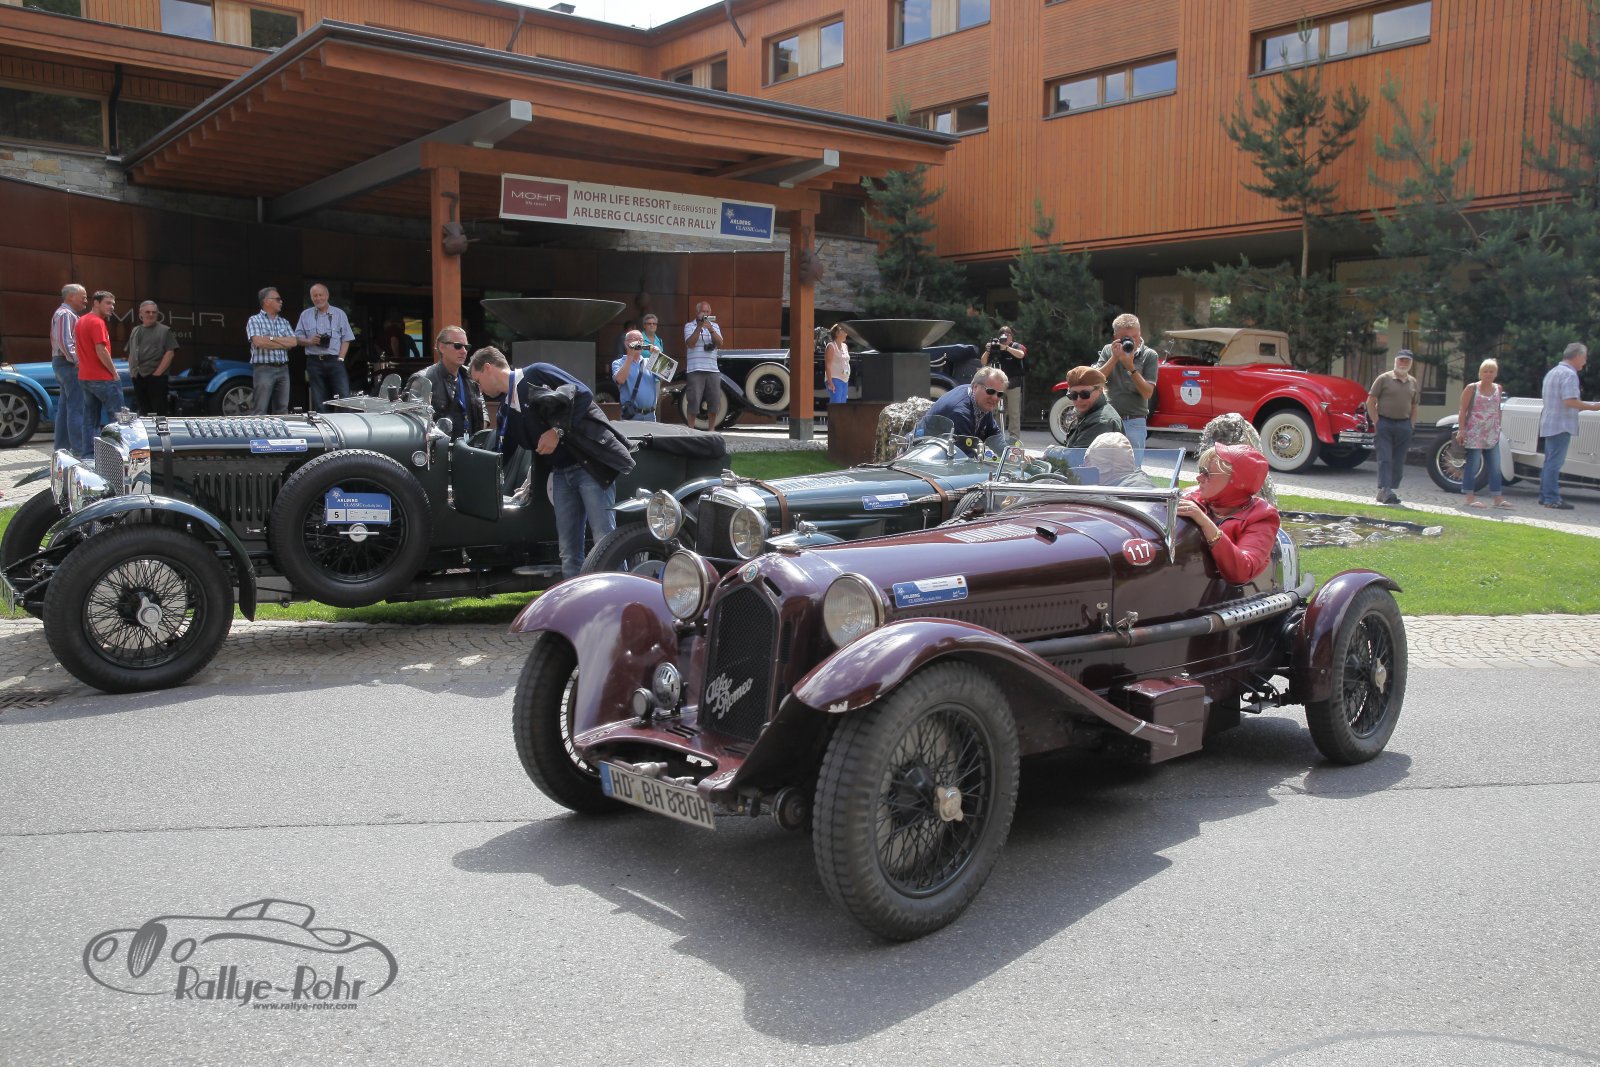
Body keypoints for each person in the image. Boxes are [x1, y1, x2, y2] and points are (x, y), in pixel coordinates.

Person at [467, 347, 635, 579]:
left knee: (604, 539)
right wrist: (476, 478)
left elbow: (584, 394)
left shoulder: (536, 373)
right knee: (568, 550)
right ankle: (576, 599)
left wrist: (557, 432)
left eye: (478, 381)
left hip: (589, 467)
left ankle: (622, 594)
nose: (480, 390)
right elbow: (501, 454)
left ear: (488, 368)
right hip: (560, 474)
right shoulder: (506, 410)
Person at [1175, 443, 1281, 585]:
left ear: (1237, 481)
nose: (1199, 477)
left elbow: (1242, 572)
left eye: (1208, 474)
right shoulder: (1191, 496)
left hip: (1224, 594)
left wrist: (1205, 523)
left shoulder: (1261, 516)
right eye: (1201, 470)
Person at [1537, 342, 1600, 510]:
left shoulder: (1553, 372)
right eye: (1584, 358)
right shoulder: (1569, 374)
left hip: (1549, 422)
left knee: (1549, 462)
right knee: (1554, 463)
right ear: (1577, 356)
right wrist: (1594, 406)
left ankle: (1544, 496)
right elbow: (1570, 401)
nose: (1585, 362)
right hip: (1561, 424)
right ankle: (1552, 498)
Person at [1094, 313, 1158, 461]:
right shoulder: (1108, 350)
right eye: (1125, 338)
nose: (1131, 341)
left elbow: (1147, 393)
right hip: (1109, 420)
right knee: (1104, 464)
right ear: (1115, 337)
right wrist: (1114, 358)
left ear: (1140, 333)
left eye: (1134, 336)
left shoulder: (1149, 355)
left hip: (1134, 421)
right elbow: (1096, 380)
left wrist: (1130, 367)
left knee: (1133, 467)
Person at [407, 325, 487, 440]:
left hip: (470, 446)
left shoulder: (470, 376)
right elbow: (412, 422)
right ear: (442, 347)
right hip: (440, 448)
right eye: (458, 346)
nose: (464, 351)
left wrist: (484, 424)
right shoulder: (423, 380)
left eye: (466, 347)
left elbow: (481, 407)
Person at [1454, 358, 1511, 510]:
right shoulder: (1472, 388)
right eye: (1485, 371)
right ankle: (1469, 497)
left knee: (1495, 465)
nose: (1488, 374)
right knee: (1473, 465)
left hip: (1492, 432)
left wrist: (1498, 426)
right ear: (1480, 373)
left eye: (1491, 371)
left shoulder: (1498, 388)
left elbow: (1497, 409)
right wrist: (1461, 430)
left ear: (1496, 373)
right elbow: (1462, 409)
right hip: (1475, 431)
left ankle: (1497, 498)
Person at [72, 290, 124, 456]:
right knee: (118, 419)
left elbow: (79, 348)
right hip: (102, 378)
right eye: (108, 303)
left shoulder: (81, 321)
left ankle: (88, 454)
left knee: (90, 419)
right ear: (96, 303)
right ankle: (117, 455)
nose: (112, 307)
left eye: (113, 304)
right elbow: (101, 350)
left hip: (85, 377)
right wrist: (114, 372)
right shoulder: (97, 322)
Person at [1366, 349, 1420, 505]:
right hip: (1385, 422)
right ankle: (1386, 489)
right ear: (1396, 361)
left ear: (1411, 363)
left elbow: (1415, 406)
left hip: (1404, 424)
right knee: (1385, 458)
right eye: (1401, 360)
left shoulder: (1413, 382)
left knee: (1398, 460)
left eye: (1407, 361)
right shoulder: (1384, 379)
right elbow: (1370, 401)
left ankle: (1386, 490)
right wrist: (1377, 421)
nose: (1403, 363)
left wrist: (1411, 425)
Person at [295, 283, 355, 413]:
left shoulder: (339, 314)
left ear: (327, 296)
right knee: (319, 401)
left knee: (344, 397)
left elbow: (346, 338)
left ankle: (345, 424)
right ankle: (324, 425)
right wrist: (310, 341)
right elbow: (297, 339)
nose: (318, 298)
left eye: (320, 295)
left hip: (335, 360)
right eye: (315, 296)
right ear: (311, 297)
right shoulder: (305, 315)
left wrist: (341, 358)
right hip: (314, 362)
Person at [923, 365, 1008, 453]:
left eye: (999, 394)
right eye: (990, 391)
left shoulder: (982, 402)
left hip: (946, 452)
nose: (995, 398)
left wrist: (1008, 454)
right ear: (975, 387)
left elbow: (993, 434)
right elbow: (964, 454)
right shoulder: (959, 412)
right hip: (926, 451)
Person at [247, 287, 299, 415]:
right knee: (260, 409)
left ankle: (280, 429)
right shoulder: (254, 320)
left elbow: (293, 342)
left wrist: (270, 338)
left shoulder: (284, 322)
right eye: (277, 299)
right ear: (267, 302)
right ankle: (259, 429)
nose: (281, 301)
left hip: (283, 368)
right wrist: (283, 342)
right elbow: (259, 342)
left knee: (282, 409)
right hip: (264, 368)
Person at [50, 283, 87, 455]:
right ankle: (80, 450)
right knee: (76, 407)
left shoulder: (65, 314)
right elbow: (65, 341)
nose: (86, 300)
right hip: (68, 365)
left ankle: (62, 448)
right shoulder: (65, 314)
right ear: (71, 296)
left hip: (63, 363)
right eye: (83, 297)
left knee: (65, 407)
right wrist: (77, 361)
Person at [126, 300, 177, 417]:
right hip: (138, 377)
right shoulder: (135, 330)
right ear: (141, 313)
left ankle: (160, 430)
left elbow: (170, 353)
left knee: (159, 413)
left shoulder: (165, 330)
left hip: (156, 378)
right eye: (148, 312)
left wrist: (157, 374)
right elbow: (131, 351)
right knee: (144, 412)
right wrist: (132, 371)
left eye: (154, 312)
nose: (151, 314)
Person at [681, 300, 724, 429]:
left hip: (712, 369)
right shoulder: (689, 326)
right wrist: (699, 326)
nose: (705, 314)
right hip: (695, 369)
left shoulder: (715, 326)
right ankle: (691, 429)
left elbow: (720, 343)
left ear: (710, 312)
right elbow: (690, 344)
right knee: (693, 400)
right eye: (703, 311)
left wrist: (710, 329)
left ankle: (711, 429)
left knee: (714, 400)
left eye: (707, 311)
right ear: (697, 312)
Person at [1058, 365, 1123, 448]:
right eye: (1073, 395)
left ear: (1100, 390)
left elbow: (1078, 454)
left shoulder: (1100, 422)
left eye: (1085, 394)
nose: (1079, 399)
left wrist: (1052, 451)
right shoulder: (1087, 414)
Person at [981, 325, 1027, 435]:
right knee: (997, 411)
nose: (1006, 337)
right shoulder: (995, 347)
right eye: (1003, 335)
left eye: (1008, 335)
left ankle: (1013, 438)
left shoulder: (1016, 346)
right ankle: (997, 436)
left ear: (1012, 336)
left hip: (1013, 385)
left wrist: (1006, 348)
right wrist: (988, 350)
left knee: (1014, 413)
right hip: (999, 386)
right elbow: (983, 362)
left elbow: (1021, 355)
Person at [611, 328, 660, 421]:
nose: (638, 342)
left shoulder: (649, 361)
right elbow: (620, 380)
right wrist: (630, 356)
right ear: (626, 343)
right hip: (631, 415)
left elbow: (666, 376)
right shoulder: (618, 363)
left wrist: (657, 356)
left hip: (650, 415)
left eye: (641, 340)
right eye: (635, 339)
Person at [1083, 431, 1154, 488]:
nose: (1085, 466)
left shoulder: (1132, 491)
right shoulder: (1119, 482)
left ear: (1105, 465)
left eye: (1088, 461)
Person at [824, 323, 851, 405]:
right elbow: (828, 366)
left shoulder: (845, 346)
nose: (846, 334)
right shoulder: (831, 346)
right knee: (836, 404)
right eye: (843, 331)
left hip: (845, 380)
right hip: (835, 379)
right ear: (837, 333)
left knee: (842, 406)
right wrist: (830, 382)